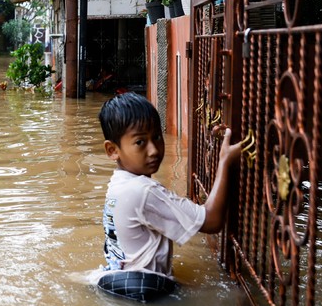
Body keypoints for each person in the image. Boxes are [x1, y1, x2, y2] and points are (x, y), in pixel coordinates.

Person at [97, 92, 242, 281]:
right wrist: (225, 162)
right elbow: (212, 221)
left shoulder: (117, 184)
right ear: (113, 150)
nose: (154, 150)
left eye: (157, 137)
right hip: (149, 295)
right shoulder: (144, 191)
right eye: (140, 142)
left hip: (123, 283)